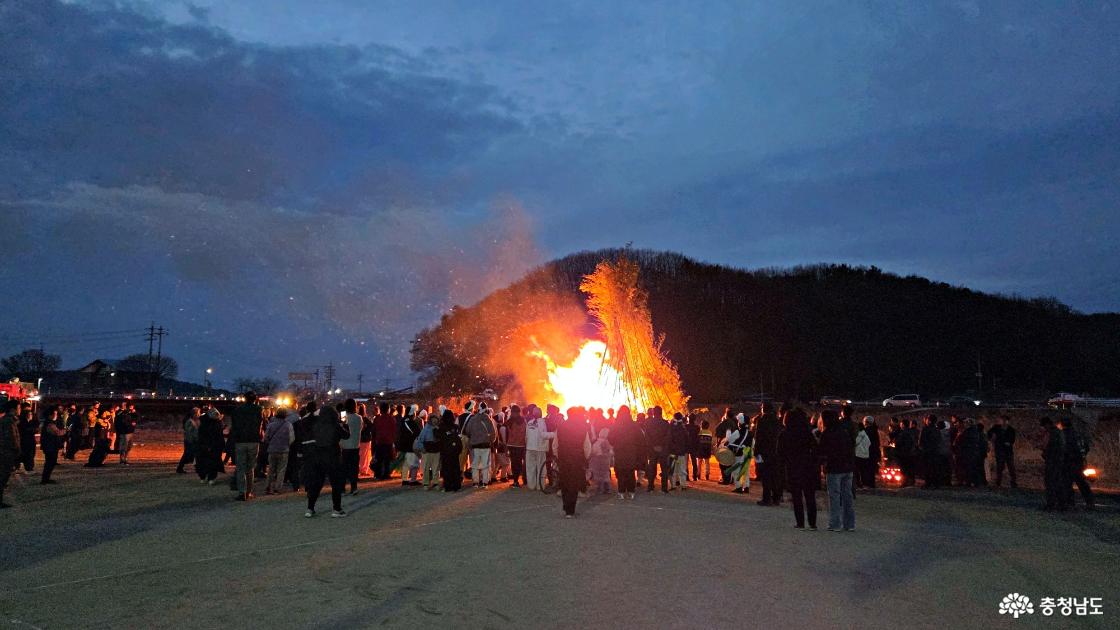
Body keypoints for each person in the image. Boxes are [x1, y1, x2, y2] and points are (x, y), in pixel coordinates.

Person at [301, 404, 350, 517]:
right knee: (335, 484)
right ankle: (337, 509)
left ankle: (310, 508)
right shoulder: (336, 426)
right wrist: (344, 423)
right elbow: (347, 435)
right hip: (333, 457)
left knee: (316, 484)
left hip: (318, 457)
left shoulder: (316, 425)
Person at [778, 408, 818, 529]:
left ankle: (800, 522)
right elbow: (815, 449)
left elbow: (780, 452)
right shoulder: (807, 433)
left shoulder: (784, 434)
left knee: (796, 496)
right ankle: (812, 523)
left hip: (793, 467)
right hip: (808, 467)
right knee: (810, 496)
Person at [819, 409, 855, 532]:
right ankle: (849, 523)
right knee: (847, 496)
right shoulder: (844, 431)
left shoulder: (827, 433)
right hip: (847, 467)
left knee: (834, 496)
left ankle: (835, 523)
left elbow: (822, 451)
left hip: (834, 468)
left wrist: (822, 464)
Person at [229, 392, 264, 501]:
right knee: (250, 468)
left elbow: (234, 426)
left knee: (241, 468)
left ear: (244, 398)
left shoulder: (237, 410)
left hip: (240, 441)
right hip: (253, 440)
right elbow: (260, 424)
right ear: (255, 399)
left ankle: (242, 492)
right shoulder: (258, 409)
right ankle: (249, 492)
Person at [558, 407, 592, 517]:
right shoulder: (582, 427)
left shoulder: (561, 426)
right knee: (573, 484)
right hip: (577, 459)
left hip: (563, 459)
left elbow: (555, 444)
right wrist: (585, 458)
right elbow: (587, 446)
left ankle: (566, 506)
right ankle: (570, 510)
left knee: (564, 483)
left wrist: (558, 456)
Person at [1057, 417, 1094, 510]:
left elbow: (1061, 448)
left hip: (1068, 462)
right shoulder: (1078, 434)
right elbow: (1086, 447)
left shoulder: (1063, 435)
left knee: (1067, 482)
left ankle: (1070, 502)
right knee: (1081, 482)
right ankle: (1089, 502)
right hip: (1079, 462)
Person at [753, 403, 782, 506]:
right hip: (775, 452)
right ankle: (776, 498)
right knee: (774, 476)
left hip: (764, 452)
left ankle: (766, 499)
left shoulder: (762, 420)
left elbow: (759, 437)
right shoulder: (777, 421)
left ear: (764, 409)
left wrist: (756, 451)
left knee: (766, 477)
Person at [609, 406, 640, 499]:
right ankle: (631, 492)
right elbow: (639, 438)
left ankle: (621, 492)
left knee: (621, 472)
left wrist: (615, 444)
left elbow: (610, 438)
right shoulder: (633, 425)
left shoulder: (616, 425)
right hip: (631, 451)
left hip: (620, 452)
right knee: (630, 471)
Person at [464, 403, 496, 488]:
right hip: (485, 445)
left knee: (475, 465)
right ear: (486, 409)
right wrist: (491, 440)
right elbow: (493, 433)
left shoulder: (473, 419)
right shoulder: (488, 419)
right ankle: (485, 482)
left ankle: (475, 482)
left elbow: (467, 431)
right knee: (485, 464)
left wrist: (473, 437)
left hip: (475, 445)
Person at [263, 406, 295, 495]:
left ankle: (268, 487)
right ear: (286, 415)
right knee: (281, 470)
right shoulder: (288, 425)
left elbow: (266, 437)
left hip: (272, 449)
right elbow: (292, 438)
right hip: (284, 450)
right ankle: (278, 488)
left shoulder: (271, 425)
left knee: (271, 469)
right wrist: (287, 445)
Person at [524, 404, 555, 490]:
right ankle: (540, 486)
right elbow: (543, 435)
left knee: (530, 468)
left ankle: (531, 485)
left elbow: (526, 436)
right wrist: (554, 434)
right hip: (539, 449)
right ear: (540, 414)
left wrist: (527, 445)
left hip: (530, 448)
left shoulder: (529, 422)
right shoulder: (542, 422)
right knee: (541, 467)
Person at [1040, 417, 1064, 511]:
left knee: (1051, 483)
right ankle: (1060, 504)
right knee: (1057, 483)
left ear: (1047, 424)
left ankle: (1051, 504)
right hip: (1056, 461)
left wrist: (1045, 453)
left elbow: (1051, 447)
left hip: (1053, 461)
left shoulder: (1052, 433)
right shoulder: (1057, 432)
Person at [644, 406, 670, 493]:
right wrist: (661, 446)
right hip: (663, 450)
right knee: (664, 469)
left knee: (652, 468)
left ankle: (650, 487)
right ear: (661, 412)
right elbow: (668, 437)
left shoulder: (648, 423)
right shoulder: (666, 423)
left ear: (654, 413)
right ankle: (664, 488)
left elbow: (647, 436)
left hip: (652, 449)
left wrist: (653, 446)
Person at [338, 400, 362, 494]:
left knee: (343, 468)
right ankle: (354, 487)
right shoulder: (359, 417)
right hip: (355, 446)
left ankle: (342, 488)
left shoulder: (344, 416)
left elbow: (341, 428)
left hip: (344, 446)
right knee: (354, 468)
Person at [435, 410, 463, 492]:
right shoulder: (456, 427)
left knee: (446, 469)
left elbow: (437, 436)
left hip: (445, 450)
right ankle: (456, 485)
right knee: (455, 468)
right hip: (455, 450)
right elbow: (459, 437)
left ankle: (448, 486)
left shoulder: (441, 426)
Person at [724, 413, 752, 494]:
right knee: (745, 470)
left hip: (739, 453)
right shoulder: (750, 432)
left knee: (736, 470)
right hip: (748, 452)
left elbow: (729, 440)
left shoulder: (738, 432)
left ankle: (738, 487)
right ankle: (746, 487)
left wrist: (728, 432)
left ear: (741, 422)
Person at [987, 415, 1017, 488]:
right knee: (999, 467)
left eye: (1005, 420)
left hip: (1008, 451)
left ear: (1008, 421)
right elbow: (989, 433)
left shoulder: (1011, 430)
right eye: (1002, 420)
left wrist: (1008, 443)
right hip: (1000, 450)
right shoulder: (996, 428)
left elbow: (1012, 439)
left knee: (1011, 467)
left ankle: (1013, 482)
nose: (1003, 422)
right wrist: (992, 438)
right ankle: (998, 482)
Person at [196, 408, 225, 484]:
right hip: (214, 446)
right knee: (213, 462)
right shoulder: (216, 423)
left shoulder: (203, 422)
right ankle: (211, 478)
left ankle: (203, 477)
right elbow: (218, 435)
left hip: (203, 446)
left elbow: (200, 435)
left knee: (203, 461)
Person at [39, 408, 66, 485]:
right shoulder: (49, 424)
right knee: (50, 462)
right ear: (50, 415)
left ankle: (46, 478)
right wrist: (65, 430)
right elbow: (57, 432)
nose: (56, 415)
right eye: (55, 414)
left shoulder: (50, 423)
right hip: (50, 446)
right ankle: (45, 479)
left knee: (51, 462)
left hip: (51, 445)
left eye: (56, 414)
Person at [397, 404, 422, 487]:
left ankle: (405, 480)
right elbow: (418, 432)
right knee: (414, 463)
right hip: (412, 445)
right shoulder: (411, 422)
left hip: (404, 445)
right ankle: (413, 480)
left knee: (406, 464)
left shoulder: (403, 420)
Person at [417, 410, 442, 490]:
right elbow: (420, 440)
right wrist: (422, 449)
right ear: (430, 420)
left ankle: (435, 483)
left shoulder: (439, 428)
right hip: (427, 451)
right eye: (433, 420)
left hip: (436, 450)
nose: (434, 421)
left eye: (436, 420)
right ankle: (426, 483)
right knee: (426, 468)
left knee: (436, 468)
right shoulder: (426, 429)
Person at [0, 401, 19, 507]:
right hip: (6, 452)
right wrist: (17, 450)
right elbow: (12, 438)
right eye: (18, 408)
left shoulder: (8, 420)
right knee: (3, 476)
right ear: (13, 409)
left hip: (6, 451)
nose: (19, 410)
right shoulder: (8, 421)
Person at [371, 402, 396, 480]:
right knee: (387, 459)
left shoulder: (377, 419)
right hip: (388, 442)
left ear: (381, 410)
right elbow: (394, 430)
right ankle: (386, 474)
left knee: (379, 459)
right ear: (388, 409)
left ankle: (378, 474)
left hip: (379, 441)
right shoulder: (391, 419)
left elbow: (374, 431)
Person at [918, 415, 943, 488]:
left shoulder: (925, 429)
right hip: (935, 451)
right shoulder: (937, 429)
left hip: (927, 451)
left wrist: (921, 447)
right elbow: (939, 440)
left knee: (927, 467)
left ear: (929, 421)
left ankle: (928, 483)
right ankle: (935, 483)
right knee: (934, 467)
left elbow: (921, 440)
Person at [505, 405, 527, 487]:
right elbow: (526, 433)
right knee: (518, 463)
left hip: (512, 445)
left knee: (514, 463)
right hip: (521, 445)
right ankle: (517, 480)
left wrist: (506, 445)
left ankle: (515, 480)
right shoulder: (523, 421)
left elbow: (506, 432)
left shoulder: (510, 421)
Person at [667, 412, 690, 490]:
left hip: (673, 452)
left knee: (673, 469)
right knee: (682, 469)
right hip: (681, 452)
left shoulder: (671, 428)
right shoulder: (683, 428)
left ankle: (673, 485)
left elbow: (669, 440)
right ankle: (683, 485)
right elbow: (687, 440)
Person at [177, 407, 201, 474]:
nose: (199, 414)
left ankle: (197, 468)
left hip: (191, 441)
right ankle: (179, 468)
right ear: (194, 414)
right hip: (190, 442)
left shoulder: (193, 421)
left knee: (194, 455)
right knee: (188, 455)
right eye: (198, 413)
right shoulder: (190, 422)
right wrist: (193, 440)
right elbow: (189, 433)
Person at [589, 427, 613, 494]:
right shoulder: (607, 442)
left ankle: (600, 489)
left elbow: (593, 451)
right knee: (605, 475)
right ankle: (607, 489)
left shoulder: (597, 442)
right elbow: (611, 452)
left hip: (598, 460)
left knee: (599, 475)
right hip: (606, 460)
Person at [714, 408, 734, 484]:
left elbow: (717, 431)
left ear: (726, 415)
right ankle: (730, 478)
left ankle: (725, 480)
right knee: (730, 463)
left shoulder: (725, 422)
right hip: (733, 445)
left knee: (723, 464)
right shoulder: (735, 423)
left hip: (724, 445)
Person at [17, 407, 36, 473]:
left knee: (31, 454)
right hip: (25, 441)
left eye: (31, 414)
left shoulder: (31, 422)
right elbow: (23, 431)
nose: (31, 416)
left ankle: (29, 467)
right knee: (27, 455)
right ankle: (28, 468)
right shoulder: (22, 423)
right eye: (29, 414)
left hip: (31, 441)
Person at [357, 403, 373, 479]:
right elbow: (371, 427)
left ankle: (360, 469)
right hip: (366, 440)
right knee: (365, 456)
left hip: (358, 439)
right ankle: (363, 470)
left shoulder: (356, 418)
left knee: (359, 455)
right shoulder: (366, 419)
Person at [854, 419, 871, 488]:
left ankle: (859, 483)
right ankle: (864, 483)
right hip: (865, 455)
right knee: (863, 470)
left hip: (858, 455)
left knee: (857, 470)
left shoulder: (859, 435)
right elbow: (869, 443)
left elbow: (855, 442)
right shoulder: (866, 435)